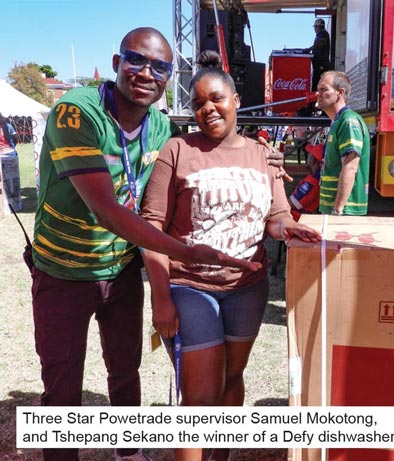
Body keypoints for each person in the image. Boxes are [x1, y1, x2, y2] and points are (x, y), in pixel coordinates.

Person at [31, 28, 259, 461]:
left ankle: (128, 451)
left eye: (159, 67)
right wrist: (184, 252)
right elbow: (106, 210)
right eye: (136, 60)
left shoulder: (159, 127)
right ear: (117, 64)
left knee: (125, 368)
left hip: (121, 269)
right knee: (62, 382)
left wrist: (261, 160)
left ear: (168, 78)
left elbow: (192, 167)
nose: (146, 73)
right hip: (64, 271)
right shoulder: (76, 112)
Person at [139, 50, 321, 461]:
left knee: (232, 378)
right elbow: (151, 227)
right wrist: (161, 297)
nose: (208, 109)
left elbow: (276, 216)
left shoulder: (261, 154)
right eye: (198, 103)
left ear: (236, 100)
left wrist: (288, 227)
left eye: (216, 98)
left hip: (247, 288)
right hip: (190, 286)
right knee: (200, 397)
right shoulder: (177, 150)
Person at [316, 71, 370, 216]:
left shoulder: (348, 121)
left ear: (340, 93)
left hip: (344, 211)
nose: (318, 94)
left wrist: (337, 209)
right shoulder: (338, 121)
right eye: (318, 89)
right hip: (333, 209)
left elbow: (350, 167)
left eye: (324, 89)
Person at [289, 143, 323, 221]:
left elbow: (293, 203)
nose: (308, 156)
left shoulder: (312, 181)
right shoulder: (318, 177)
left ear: (314, 160)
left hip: (297, 219)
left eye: (310, 155)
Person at [303, 18, 332, 91]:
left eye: (315, 27)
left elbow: (321, 42)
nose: (314, 29)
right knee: (316, 84)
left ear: (318, 27)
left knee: (318, 85)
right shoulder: (320, 35)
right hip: (317, 66)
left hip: (321, 66)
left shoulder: (323, 34)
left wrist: (309, 49)